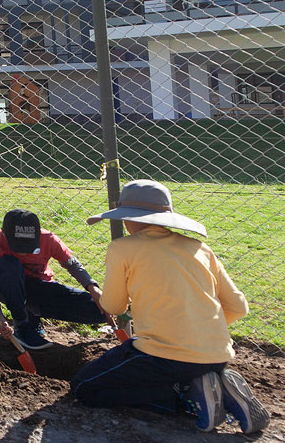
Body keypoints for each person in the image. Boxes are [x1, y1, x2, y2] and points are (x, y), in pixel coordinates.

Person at [71, 180, 267, 434]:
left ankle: (186, 395)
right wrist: (194, 328)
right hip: (217, 355)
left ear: (128, 218)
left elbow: (114, 305)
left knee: (83, 388)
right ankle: (216, 388)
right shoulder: (200, 248)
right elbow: (239, 307)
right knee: (170, 367)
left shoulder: (122, 248)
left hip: (162, 356)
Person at [0, 209, 106, 350]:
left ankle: (33, 313)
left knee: (101, 310)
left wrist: (93, 288)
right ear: (3, 232)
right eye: (18, 245)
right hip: (8, 288)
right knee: (9, 264)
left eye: (28, 245)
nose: (24, 251)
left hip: (41, 289)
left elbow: (72, 265)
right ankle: (22, 324)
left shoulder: (48, 239)